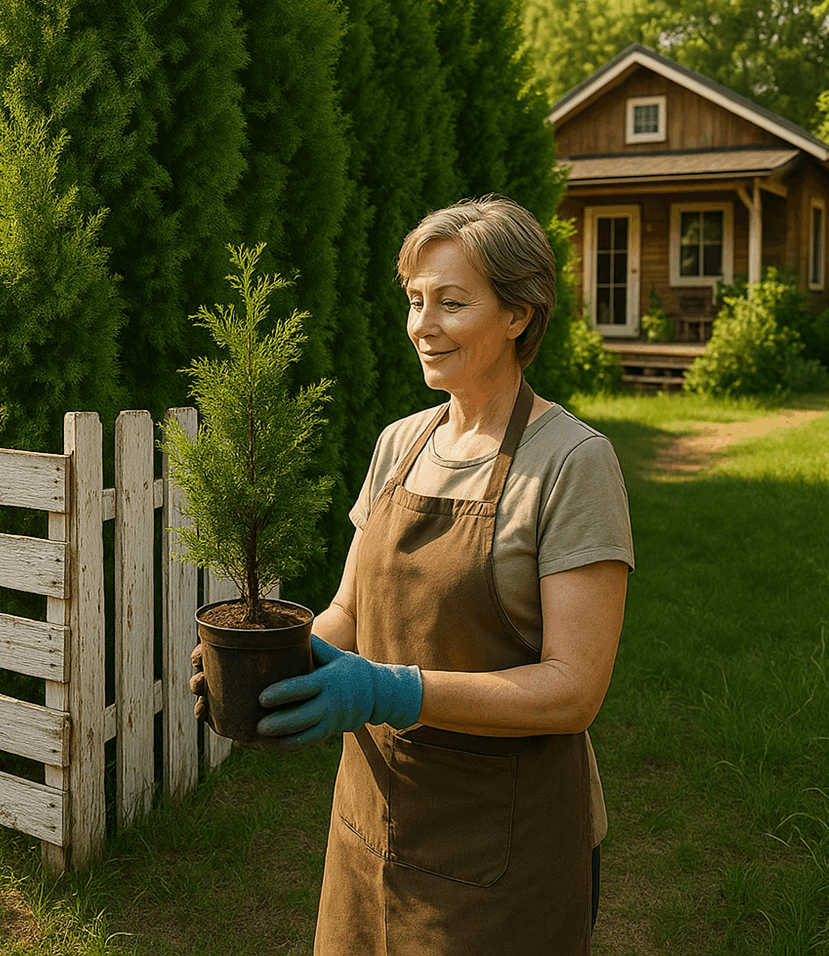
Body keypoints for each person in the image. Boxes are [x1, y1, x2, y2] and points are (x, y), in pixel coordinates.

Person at [192, 195, 633, 953]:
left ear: (519, 315)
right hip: (371, 820)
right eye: (416, 301)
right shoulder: (401, 443)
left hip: (504, 846)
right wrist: (274, 667)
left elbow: (574, 689)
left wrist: (390, 690)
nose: (423, 326)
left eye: (452, 303)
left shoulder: (571, 463)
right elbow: (348, 611)